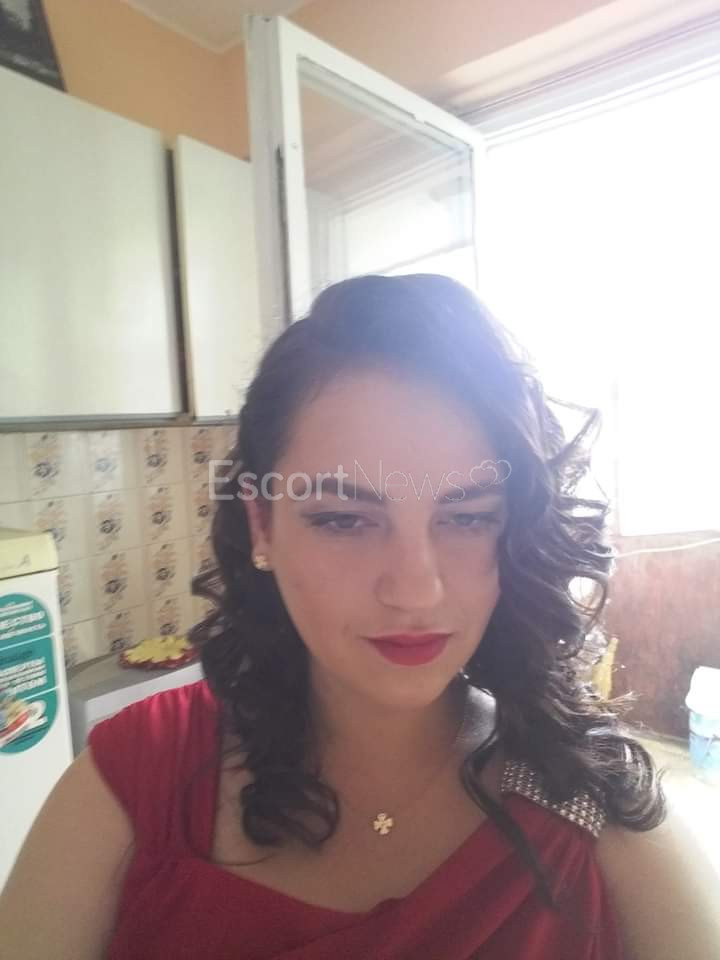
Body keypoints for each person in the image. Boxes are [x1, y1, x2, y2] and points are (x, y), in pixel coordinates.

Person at [1, 275, 718, 959]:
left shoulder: (600, 821)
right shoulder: (131, 783)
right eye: (343, 519)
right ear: (262, 526)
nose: (415, 590)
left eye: (467, 517)